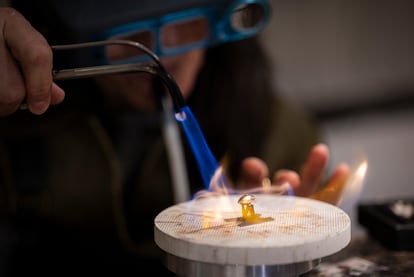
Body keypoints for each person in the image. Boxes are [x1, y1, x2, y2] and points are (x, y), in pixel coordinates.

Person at [0, 0, 350, 276]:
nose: (161, 55)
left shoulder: (276, 129)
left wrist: (286, 255)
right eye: (131, 32)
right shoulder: (14, 125)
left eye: (183, 23)